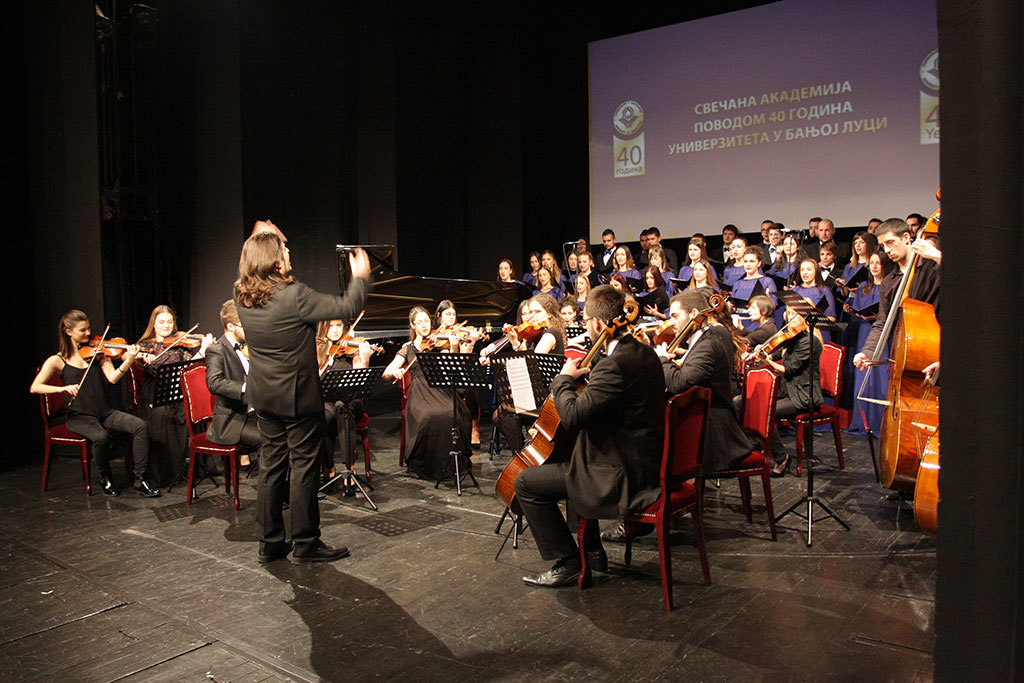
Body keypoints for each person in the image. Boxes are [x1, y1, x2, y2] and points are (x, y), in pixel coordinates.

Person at [514, 285, 666, 587]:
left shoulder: (614, 364)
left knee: (526, 483)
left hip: (620, 476)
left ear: (597, 323)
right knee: (574, 459)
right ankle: (593, 553)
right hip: (645, 461)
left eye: (586, 322)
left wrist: (563, 380)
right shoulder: (644, 353)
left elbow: (572, 417)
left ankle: (569, 561)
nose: (586, 327)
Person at [235, 231, 370, 564]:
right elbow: (347, 306)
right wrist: (360, 278)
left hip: (264, 397)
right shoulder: (294, 295)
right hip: (297, 397)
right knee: (303, 468)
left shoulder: (242, 296)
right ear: (274, 261)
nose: (289, 253)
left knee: (271, 466)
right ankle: (306, 542)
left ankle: (269, 543)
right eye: (284, 250)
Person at [30, 309, 160, 497]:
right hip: (79, 416)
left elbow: (113, 378)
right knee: (101, 436)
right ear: (68, 331)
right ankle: (105, 477)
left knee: (140, 426)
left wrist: (129, 360)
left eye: (89, 328)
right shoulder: (57, 360)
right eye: (82, 330)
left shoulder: (99, 354)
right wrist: (62, 388)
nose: (88, 333)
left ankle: (140, 478)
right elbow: (35, 387)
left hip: (104, 412)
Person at [655, 291, 752, 473]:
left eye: (675, 316)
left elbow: (681, 383)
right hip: (703, 421)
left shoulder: (708, 344)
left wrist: (662, 360)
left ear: (694, 314)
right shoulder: (706, 338)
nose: (671, 322)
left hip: (712, 433)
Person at [383, 306, 473, 481]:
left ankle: (452, 463)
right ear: (413, 325)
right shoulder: (407, 348)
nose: (424, 325)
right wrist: (395, 372)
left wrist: (454, 346)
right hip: (420, 392)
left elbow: (453, 367)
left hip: (441, 389)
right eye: (420, 322)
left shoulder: (439, 345)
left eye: (426, 321)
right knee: (429, 417)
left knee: (454, 413)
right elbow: (386, 374)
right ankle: (426, 465)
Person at [136, 305, 214, 486]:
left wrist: (203, 349)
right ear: (153, 324)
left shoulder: (180, 343)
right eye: (161, 322)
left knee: (190, 414)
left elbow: (189, 368)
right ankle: (166, 473)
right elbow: (142, 363)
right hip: (155, 394)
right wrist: (141, 357)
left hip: (177, 392)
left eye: (170, 322)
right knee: (162, 416)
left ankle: (189, 469)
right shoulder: (146, 345)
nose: (166, 325)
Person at [853, 218, 940, 370]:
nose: (887, 250)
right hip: (904, 353)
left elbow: (963, 281)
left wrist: (937, 256)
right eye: (883, 246)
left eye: (890, 242)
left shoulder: (932, 266)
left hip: (936, 347)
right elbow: (883, 321)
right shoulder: (889, 282)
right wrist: (868, 352)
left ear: (906, 238)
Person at [748, 305, 823, 476]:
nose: (789, 318)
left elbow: (788, 370)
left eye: (794, 314)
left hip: (803, 395)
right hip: (788, 391)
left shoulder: (810, 341)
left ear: (805, 318)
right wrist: (762, 353)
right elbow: (778, 353)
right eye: (788, 313)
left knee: (766, 412)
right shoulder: (794, 339)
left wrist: (768, 362)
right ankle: (758, 445)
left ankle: (781, 457)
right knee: (751, 403)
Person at [316, 318, 374, 489]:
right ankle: (329, 466)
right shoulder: (318, 348)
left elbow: (360, 379)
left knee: (342, 407)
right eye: (331, 326)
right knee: (323, 415)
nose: (335, 330)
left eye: (339, 326)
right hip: (328, 400)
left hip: (351, 401)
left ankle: (350, 468)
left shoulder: (352, 349)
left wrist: (364, 358)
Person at [841, 252, 891, 434]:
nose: (875, 267)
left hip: (882, 333)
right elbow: (859, 310)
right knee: (864, 375)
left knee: (881, 376)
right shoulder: (863, 286)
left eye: (878, 263)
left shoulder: (889, 286)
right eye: (872, 263)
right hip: (864, 331)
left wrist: (877, 316)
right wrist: (852, 311)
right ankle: (862, 423)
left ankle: (880, 424)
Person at [205, 300, 260, 456]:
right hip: (233, 421)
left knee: (287, 433)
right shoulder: (216, 351)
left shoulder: (250, 347)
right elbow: (214, 382)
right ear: (230, 326)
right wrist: (244, 388)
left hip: (255, 414)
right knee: (269, 441)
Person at [436, 300, 484, 446]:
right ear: (439, 316)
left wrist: (471, 343)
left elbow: (464, 363)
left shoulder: (461, 333)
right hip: (442, 377)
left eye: (453, 314)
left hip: (460, 374)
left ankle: (474, 428)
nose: (451, 318)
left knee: (470, 386)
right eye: (447, 314)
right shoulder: (435, 336)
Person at [731, 246, 778, 332]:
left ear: (759, 263)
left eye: (752, 261)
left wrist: (768, 299)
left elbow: (773, 307)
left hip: (757, 323)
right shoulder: (737, 284)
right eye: (745, 261)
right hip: (740, 322)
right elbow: (734, 307)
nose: (748, 264)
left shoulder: (767, 281)